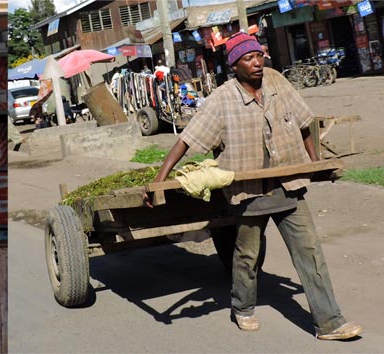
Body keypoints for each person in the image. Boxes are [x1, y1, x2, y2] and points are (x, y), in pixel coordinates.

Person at [144, 32, 363, 340]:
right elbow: (188, 140)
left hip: (289, 183)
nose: (257, 62)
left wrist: (316, 163)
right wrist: (160, 179)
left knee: (310, 252)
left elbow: (303, 123)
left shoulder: (276, 82)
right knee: (248, 255)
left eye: (259, 55)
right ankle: (243, 307)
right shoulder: (222, 99)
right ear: (235, 65)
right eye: (248, 58)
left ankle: (329, 322)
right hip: (248, 192)